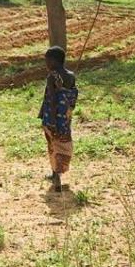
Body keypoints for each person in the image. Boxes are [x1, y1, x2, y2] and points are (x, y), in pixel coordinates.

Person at [38, 46, 78, 192]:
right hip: (65, 118)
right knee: (63, 142)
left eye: (47, 61)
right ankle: (58, 172)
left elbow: (52, 98)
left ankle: (56, 176)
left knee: (52, 145)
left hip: (52, 117)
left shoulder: (52, 77)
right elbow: (72, 97)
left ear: (54, 61)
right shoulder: (71, 76)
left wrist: (52, 119)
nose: (46, 64)